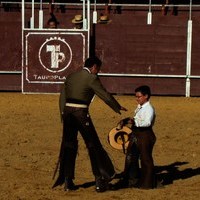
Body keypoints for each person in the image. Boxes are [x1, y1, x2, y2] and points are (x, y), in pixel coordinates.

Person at [52, 56, 127, 192]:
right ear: (93, 67)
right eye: (98, 69)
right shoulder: (91, 78)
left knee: (69, 145)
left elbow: (62, 96)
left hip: (68, 113)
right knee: (93, 145)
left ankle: (67, 182)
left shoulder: (71, 76)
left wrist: (63, 114)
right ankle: (99, 180)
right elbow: (103, 94)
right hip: (80, 114)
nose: (97, 72)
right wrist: (117, 106)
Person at [114, 85, 157, 189]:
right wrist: (128, 121)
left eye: (139, 96)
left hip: (145, 135)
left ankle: (148, 184)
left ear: (146, 96)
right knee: (131, 157)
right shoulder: (140, 107)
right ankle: (132, 180)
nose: (137, 99)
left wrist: (132, 121)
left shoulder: (149, 109)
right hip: (136, 135)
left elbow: (147, 122)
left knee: (145, 159)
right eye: (136, 97)